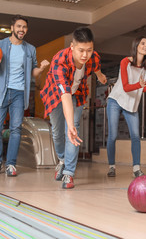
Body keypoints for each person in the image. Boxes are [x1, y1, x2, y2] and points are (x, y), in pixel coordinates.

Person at [40, 27, 107, 189]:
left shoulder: (93, 57)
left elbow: (96, 66)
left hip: (78, 93)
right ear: (72, 47)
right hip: (56, 94)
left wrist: (100, 76)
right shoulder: (59, 62)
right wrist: (69, 125)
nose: (85, 55)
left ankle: (69, 173)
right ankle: (62, 160)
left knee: (74, 129)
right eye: (81, 50)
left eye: (89, 50)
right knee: (58, 131)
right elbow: (65, 96)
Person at [0, 15, 49, 176]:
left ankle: (10, 165)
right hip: (1, 91)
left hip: (19, 93)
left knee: (15, 129)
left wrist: (41, 68)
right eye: (19, 26)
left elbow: (33, 72)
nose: (22, 29)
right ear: (12, 28)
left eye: (24, 27)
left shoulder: (30, 49)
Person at [106, 36, 146, 178]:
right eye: (143, 43)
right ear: (136, 46)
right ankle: (111, 166)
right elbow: (126, 86)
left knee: (135, 136)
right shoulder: (125, 62)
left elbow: (143, 88)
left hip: (132, 103)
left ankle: (136, 168)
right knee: (113, 135)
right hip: (116, 100)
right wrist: (140, 85)